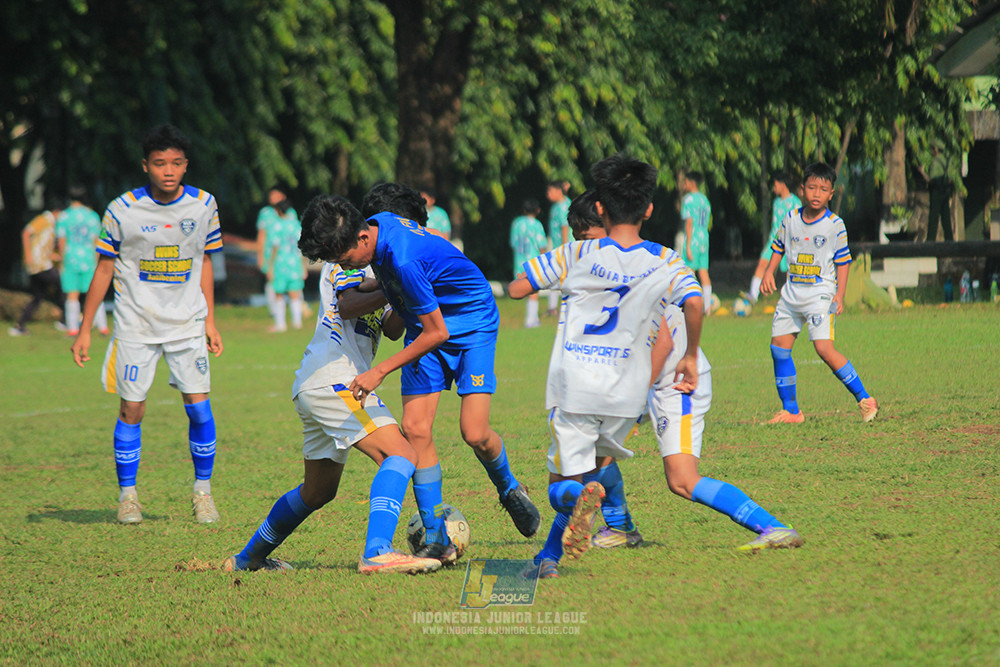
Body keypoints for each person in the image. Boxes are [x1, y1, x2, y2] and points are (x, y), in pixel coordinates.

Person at [297, 183, 540, 565]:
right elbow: (398, 306)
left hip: (470, 324)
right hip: (425, 323)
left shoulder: (404, 258)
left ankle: (509, 488)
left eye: (344, 259)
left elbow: (438, 332)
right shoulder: (378, 223)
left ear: (362, 238)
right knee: (415, 429)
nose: (344, 267)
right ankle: (436, 537)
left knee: (474, 432)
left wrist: (379, 371)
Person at [508, 154, 704, 579]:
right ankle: (548, 560)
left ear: (599, 207)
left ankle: (576, 503)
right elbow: (694, 301)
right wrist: (690, 356)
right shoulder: (666, 259)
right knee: (592, 471)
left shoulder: (578, 252)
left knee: (562, 485)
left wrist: (559, 281)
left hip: (576, 387)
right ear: (648, 209)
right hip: (627, 394)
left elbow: (518, 289)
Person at [223, 200, 442, 575]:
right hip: (335, 378)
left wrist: (412, 291)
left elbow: (391, 328)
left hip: (319, 382)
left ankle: (247, 559)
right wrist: (394, 286)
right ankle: (377, 551)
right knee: (401, 453)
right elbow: (348, 305)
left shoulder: (387, 262)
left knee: (318, 491)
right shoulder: (347, 259)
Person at [70, 124, 224, 525]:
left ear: (186, 165)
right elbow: (104, 269)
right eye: (159, 163)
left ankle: (203, 493)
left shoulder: (204, 205)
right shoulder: (122, 210)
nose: (168, 171)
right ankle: (128, 497)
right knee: (132, 409)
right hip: (135, 326)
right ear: (145, 166)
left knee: (200, 410)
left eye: (176, 163)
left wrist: (210, 320)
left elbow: (205, 261)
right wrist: (85, 329)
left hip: (188, 324)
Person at [648, 303, 803, 550]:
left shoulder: (627, 283)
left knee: (682, 479)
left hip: (677, 384)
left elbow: (666, 338)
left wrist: (636, 391)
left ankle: (773, 527)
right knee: (599, 444)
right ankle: (619, 526)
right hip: (654, 380)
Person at [761, 162, 879, 424]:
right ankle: (791, 411)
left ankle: (865, 398)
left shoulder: (835, 225)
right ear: (802, 189)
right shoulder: (790, 219)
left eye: (823, 189)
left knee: (824, 349)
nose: (817, 194)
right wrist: (769, 272)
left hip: (820, 294)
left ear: (831, 194)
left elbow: (843, 261)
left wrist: (840, 294)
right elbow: (778, 247)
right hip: (792, 293)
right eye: (812, 187)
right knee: (779, 348)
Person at [57, 185, 109, 336]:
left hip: (70, 259)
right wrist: (98, 261)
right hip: (89, 258)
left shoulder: (64, 216)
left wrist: (61, 261)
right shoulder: (92, 216)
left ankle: (73, 328)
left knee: (72, 295)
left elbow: (61, 241)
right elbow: (96, 240)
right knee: (94, 293)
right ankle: (103, 327)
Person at [9, 199, 66, 336]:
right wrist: (28, 255)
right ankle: (66, 320)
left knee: (38, 297)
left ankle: (19, 326)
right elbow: (26, 232)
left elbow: (43, 244)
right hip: (39, 264)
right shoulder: (45, 219)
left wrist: (53, 255)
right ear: (57, 212)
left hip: (42, 264)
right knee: (62, 285)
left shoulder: (52, 225)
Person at [745, 173, 801, 304]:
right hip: (773, 241)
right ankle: (753, 295)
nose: (774, 188)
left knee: (790, 271)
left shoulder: (795, 202)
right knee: (762, 263)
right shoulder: (776, 202)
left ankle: (794, 298)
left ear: (783, 185)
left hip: (789, 242)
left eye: (775, 185)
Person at [264, 193, 308, 332]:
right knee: (295, 293)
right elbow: (301, 248)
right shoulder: (296, 225)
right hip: (295, 264)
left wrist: (270, 266)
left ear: (278, 211)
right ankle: (297, 322)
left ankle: (280, 324)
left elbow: (275, 247)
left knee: (279, 293)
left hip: (280, 264)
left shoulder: (276, 225)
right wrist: (303, 266)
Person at [256, 186, 295, 329]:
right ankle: (276, 314)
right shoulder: (265, 213)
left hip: (288, 256)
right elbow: (262, 235)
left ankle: (289, 318)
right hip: (271, 254)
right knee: (272, 283)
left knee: (292, 285)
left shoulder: (290, 213)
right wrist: (260, 255)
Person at [508, 198, 548, 328]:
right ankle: (531, 320)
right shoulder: (537, 225)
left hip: (519, 259)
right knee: (533, 290)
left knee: (521, 287)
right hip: (533, 260)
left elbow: (513, 243)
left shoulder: (516, 223)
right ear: (538, 210)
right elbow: (541, 244)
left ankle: (533, 317)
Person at [680, 171, 713, 313]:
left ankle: (690, 305)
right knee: (704, 272)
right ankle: (708, 307)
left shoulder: (688, 199)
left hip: (693, 238)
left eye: (685, 182)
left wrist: (687, 245)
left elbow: (689, 222)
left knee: (689, 272)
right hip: (704, 237)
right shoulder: (705, 200)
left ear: (691, 182)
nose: (684, 185)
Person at [544, 180, 571, 315]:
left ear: (558, 191)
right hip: (556, 246)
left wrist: (564, 247)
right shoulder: (556, 206)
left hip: (563, 247)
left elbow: (564, 227)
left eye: (550, 191)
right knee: (555, 276)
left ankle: (563, 306)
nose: (548, 194)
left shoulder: (563, 206)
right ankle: (552, 307)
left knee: (562, 276)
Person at [920, 144, 953, 242]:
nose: (931, 151)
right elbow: (951, 178)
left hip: (936, 193)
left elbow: (931, 180)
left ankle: (930, 241)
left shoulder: (935, 162)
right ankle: (950, 241)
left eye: (932, 149)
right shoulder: (947, 161)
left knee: (933, 218)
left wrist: (922, 172)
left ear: (936, 149)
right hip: (945, 192)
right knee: (946, 218)